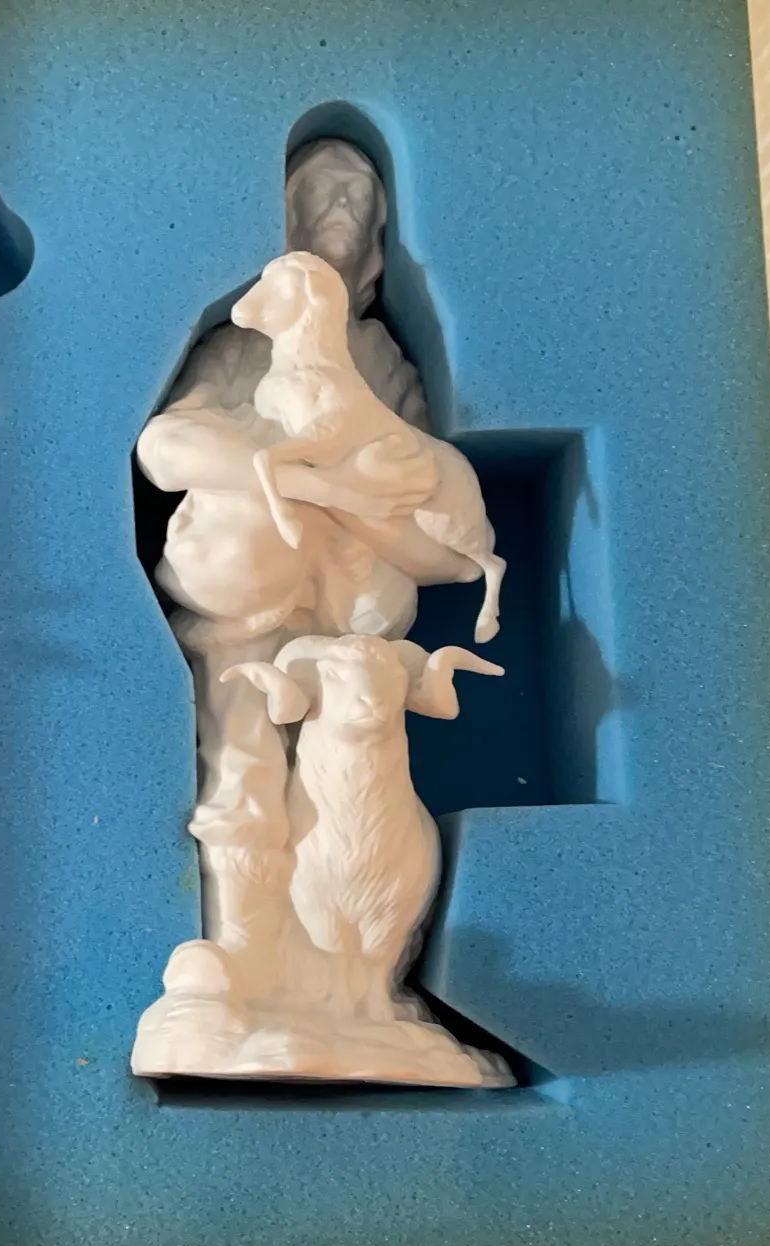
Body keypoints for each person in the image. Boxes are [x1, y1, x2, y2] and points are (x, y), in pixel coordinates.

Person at [135, 139, 444, 986]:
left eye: (357, 197)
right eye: (323, 191)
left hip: (347, 617)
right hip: (244, 594)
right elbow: (165, 447)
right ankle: (243, 956)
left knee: (346, 789)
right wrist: (298, 482)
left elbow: (427, 516)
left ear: (377, 234)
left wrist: (341, 500)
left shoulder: (382, 365)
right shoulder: (244, 349)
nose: (340, 208)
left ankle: (337, 974)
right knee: (241, 771)